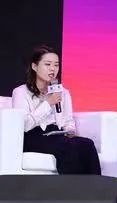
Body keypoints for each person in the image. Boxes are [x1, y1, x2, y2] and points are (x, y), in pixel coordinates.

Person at [11, 45, 102, 176]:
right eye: (47, 64)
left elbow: (68, 120)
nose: (53, 69)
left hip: (56, 134)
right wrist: (48, 103)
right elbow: (24, 125)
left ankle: (96, 187)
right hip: (33, 136)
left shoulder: (63, 92)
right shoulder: (21, 92)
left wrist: (70, 131)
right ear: (34, 67)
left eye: (56, 65)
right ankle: (71, 187)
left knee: (87, 144)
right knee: (67, 148)